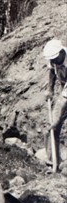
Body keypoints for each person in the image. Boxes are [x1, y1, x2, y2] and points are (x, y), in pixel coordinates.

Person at [43, 39, 67, 168]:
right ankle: (53, 161)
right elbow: (52, 70)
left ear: (62, 53)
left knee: (55, 120)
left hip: (66, 96)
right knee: (52, 128)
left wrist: (57, 119)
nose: (52, 62)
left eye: (54, 59)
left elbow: (64, 100)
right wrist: (50, 89)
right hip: (65, 93)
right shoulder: (55, 60)